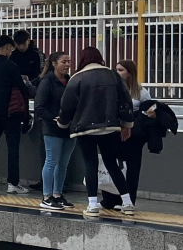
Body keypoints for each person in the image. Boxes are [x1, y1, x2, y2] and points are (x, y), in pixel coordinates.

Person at [57, 47, 135, 218]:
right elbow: (125, 100)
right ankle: (127, 203)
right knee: (112, 164)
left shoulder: (77, 78)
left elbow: (67, 105)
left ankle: (92, 205)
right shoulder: (112, 75)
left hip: (85, 129)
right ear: (99, 58)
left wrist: (63, 124)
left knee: (90, 164)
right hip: (110, 127)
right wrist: (126, 124)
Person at [0, 34, 32, 194]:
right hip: (10, 113)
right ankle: (12, 184)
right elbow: (21, 87)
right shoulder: (10, 65)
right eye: (11, 48)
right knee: (12, 148)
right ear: (8, 47)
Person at [35, 52, 74, 211]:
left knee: (63, 163)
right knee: (51, 160)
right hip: (52, 129)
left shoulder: (69, 81)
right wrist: (54, 119)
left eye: (69, 61)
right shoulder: (47, 82)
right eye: (63, 62)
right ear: (54, 64)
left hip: (69, 128)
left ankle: (58, 194)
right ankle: (46, 196)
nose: (67, 65)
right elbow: (39, 107)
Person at [114, 59, 154, 208]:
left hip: (134, 135)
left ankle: (129, 200)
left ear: (129, 73)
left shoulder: (141, 92)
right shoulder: (114, 88)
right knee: (113, 165)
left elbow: (150, 108)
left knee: (132, 167)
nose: (117, 73)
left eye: (120, 70)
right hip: (116, 132)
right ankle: (112, 198)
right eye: (116, 69)